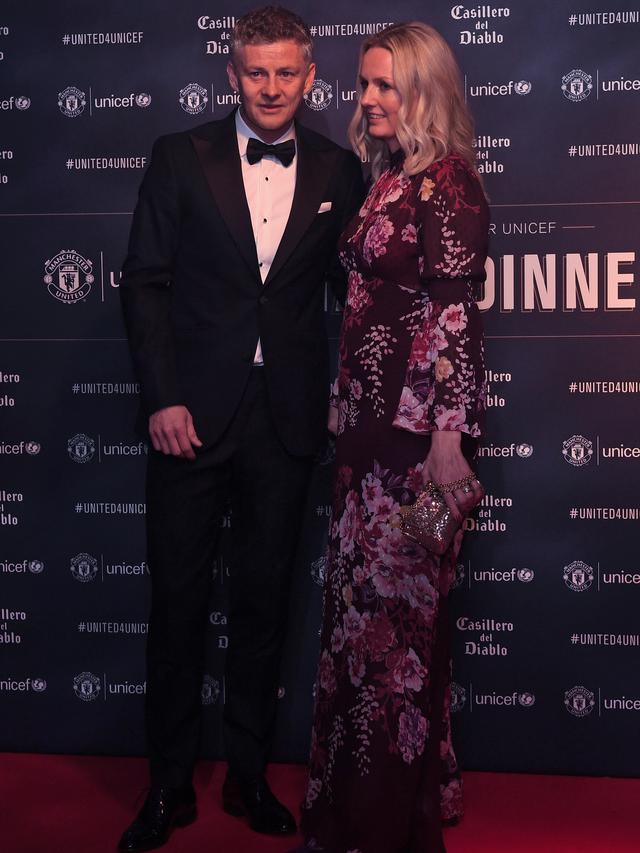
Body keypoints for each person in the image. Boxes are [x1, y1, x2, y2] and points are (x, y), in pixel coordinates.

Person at [117, 7, 364, 851]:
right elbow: (144, 282)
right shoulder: (178, 156)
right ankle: (167, 785)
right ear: (232, 75)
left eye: (285, 72)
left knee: (264, 608)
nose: (270, 87)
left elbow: (355, 292)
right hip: (189, 417)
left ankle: (251, 776)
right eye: (255, 72)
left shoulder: (338, 165)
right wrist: (161, 396)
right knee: (178, 604)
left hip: (286, 419)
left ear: (309, 75)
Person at [295, 21, 489, 853]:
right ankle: (357, 819)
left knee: (395, 634)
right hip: (365, 449)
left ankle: (382, 827)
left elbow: (453, 318)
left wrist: (448, 441)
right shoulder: (388, 180)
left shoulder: (449, 187)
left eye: (385, 85)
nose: (367, 99)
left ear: (424, 90)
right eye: (363, 84)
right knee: (357, 626)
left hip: (413, 460)